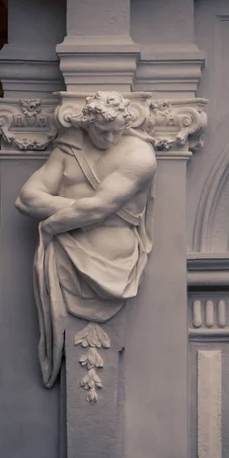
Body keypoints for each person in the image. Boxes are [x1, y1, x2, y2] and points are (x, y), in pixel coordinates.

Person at [16, 91, 157, 391]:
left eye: (117, 130)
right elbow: (26, 200)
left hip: (116, 262)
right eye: (102, 130)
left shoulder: (139, 156)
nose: (110, 137)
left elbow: (98, 207)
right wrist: (87, 211)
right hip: (66, 256)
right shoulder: (69, 149)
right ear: (87, 123)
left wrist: (53, 223)